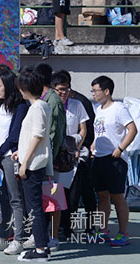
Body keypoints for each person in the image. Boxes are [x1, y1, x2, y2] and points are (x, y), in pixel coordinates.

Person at [91, 75, 137, 246]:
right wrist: (94, 144)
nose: (93, 94)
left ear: (106, 91)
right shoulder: (98, 109)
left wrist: (120, 148)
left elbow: (132, 130)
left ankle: (123, 233)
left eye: (95, 90)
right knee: (102, 196)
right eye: (92, 91)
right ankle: (103, 231)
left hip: (115, 159)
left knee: (117, 197)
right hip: (99, 158)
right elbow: (100, 131)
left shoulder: (119, 108)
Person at [0, 71, 28, 255]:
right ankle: (3, 237)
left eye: (0, 85)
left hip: (10, 157)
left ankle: (18, 239)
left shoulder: (20, 106)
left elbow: (14, 135)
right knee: (2, 198)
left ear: (9, 86)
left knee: (15, 199)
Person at [14, 68, 53, 262]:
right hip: (34, 161)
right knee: (36, 206)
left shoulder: (37, 107)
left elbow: (37, 135)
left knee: (34, 208)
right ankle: (42, 245)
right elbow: (36, 136)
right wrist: (20, 153)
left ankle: (40, 249)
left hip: (32, 165)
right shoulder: (41, 106)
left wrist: (25, 162)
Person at [51, 71, 94, 237]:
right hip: (55, 156)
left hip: (73, 154)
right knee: (55, 192)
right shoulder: (49, 105)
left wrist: (76, 147)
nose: (63, 93)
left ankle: (68, 227)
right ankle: (56, 227)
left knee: (73, 194)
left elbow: (83, 129)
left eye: (66, 89)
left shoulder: (77, 104)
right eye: (60, 89)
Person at [35, 63, 67, 251]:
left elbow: (56, 134)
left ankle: (54, 236)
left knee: (54, 198)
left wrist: (50, 160)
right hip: (44, 158)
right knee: (45, 199)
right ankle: (44, 234)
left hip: (50, 160)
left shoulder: (53, 101)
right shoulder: (43, 99)